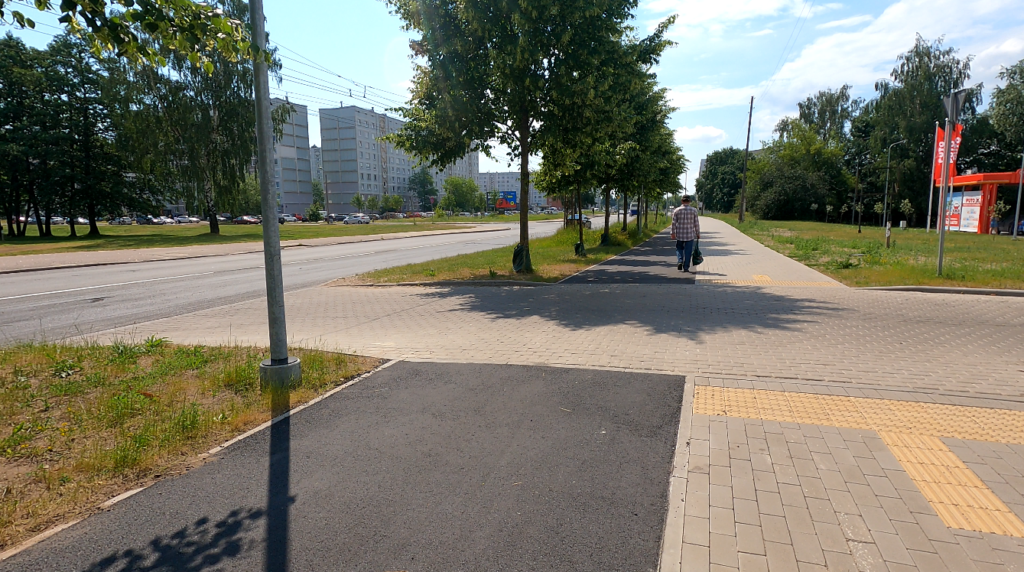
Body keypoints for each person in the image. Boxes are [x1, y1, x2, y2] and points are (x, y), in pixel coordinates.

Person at [671, 195, 700, 273]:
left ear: (682, 201)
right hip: (690, 234)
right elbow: (696, 223)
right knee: (688, 251)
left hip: (680, 234)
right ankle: (686, 267)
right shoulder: (694, 210)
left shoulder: (677, 210)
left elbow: (673, 223)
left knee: (679, 248)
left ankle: (680, 261)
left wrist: (672, 233)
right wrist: (698, 233)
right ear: (689, 201)